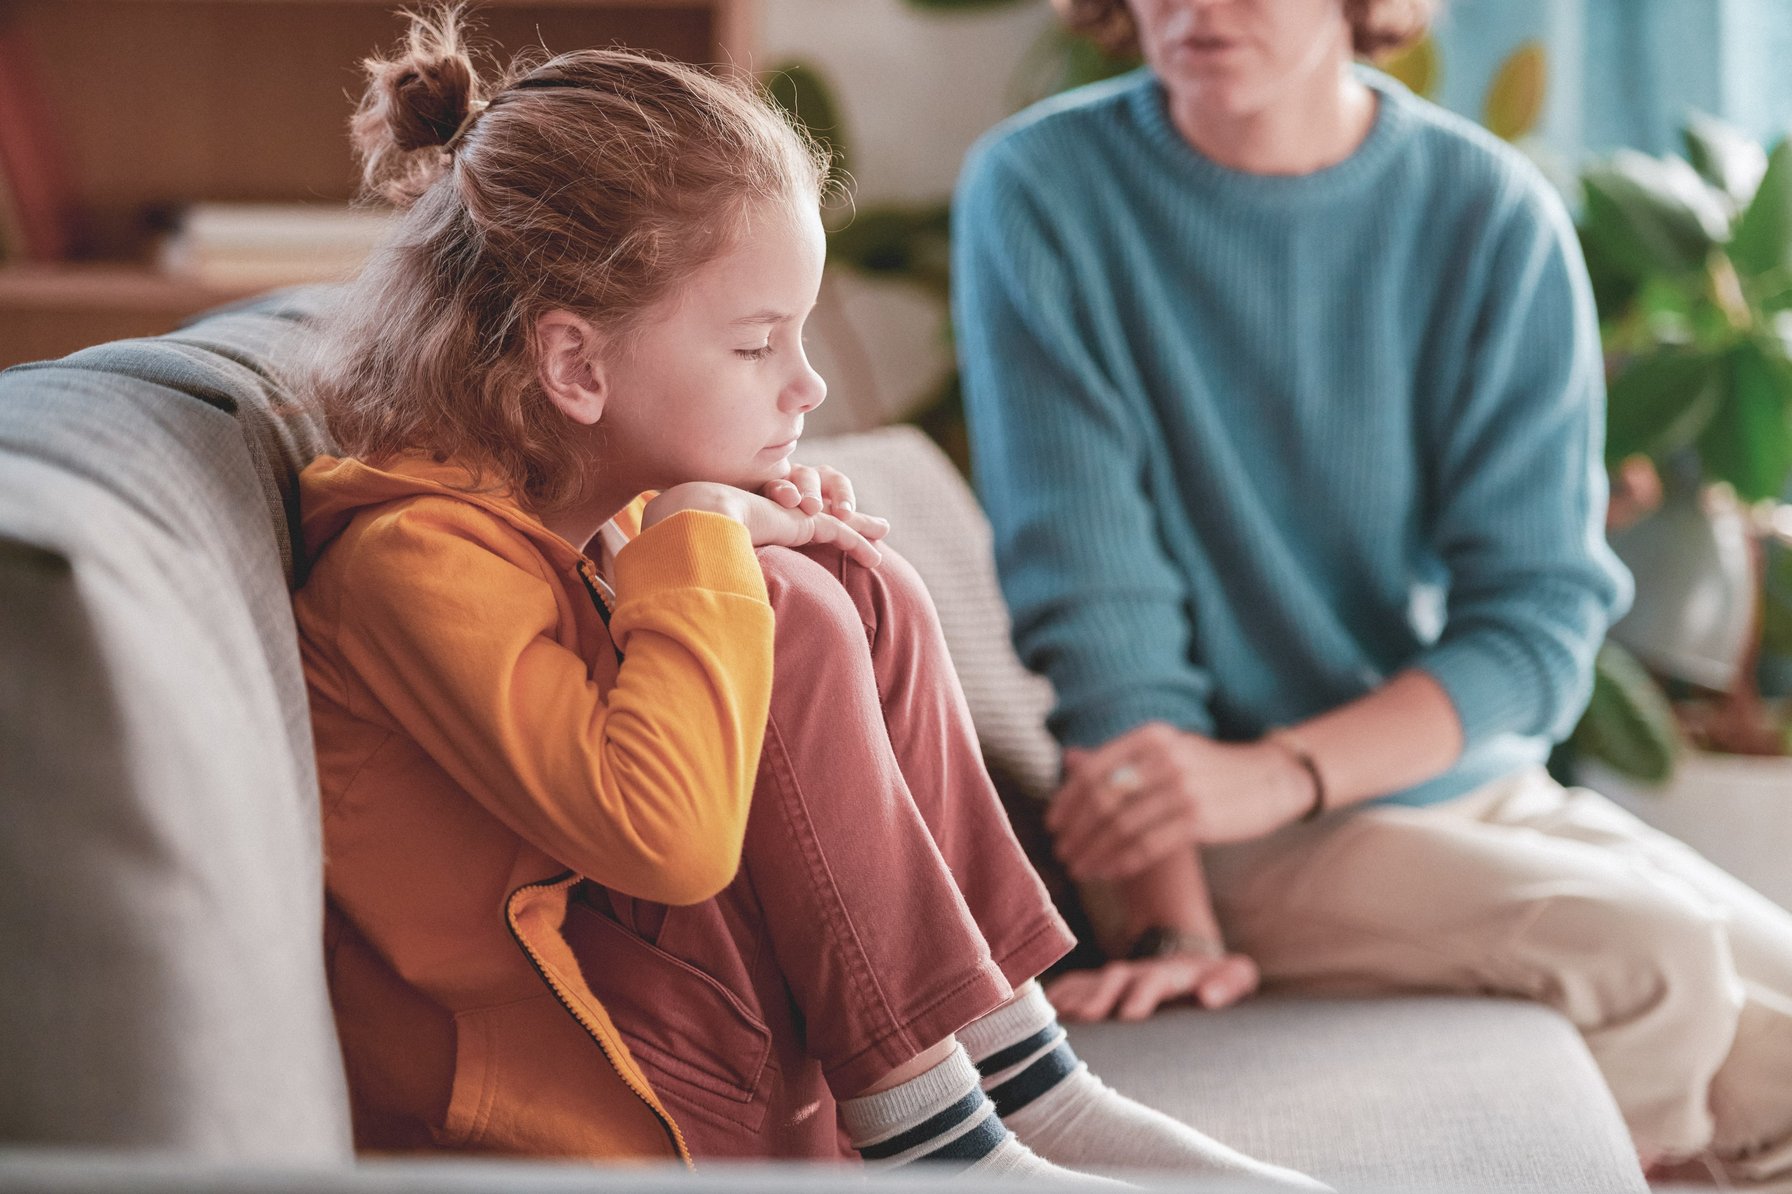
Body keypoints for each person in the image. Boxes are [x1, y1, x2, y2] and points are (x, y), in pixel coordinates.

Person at [291, 10, 1326, 1187]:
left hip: (683, 1041)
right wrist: (703, 540)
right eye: (756, 345)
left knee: (838, 582)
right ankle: (935, 1135)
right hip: (577, 1114)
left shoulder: (574, 516)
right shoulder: (411, 563)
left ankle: (1015, 1074)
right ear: (573, 366)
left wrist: (719, 540)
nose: (809, 381)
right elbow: (664, 843)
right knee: (776, 604)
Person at [953, 0, 1792, 1184]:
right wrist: (1174, 920)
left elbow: (1538, 624)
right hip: (1208, 830)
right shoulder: (1044, 189)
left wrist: (1284, 769)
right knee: (1651, 959)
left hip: (1440, 783)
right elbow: (1102, 616)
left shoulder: (1487, 213)